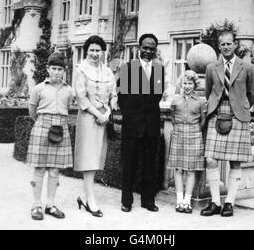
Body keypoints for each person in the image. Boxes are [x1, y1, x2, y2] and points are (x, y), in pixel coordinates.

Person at [200, 31, 254, 217]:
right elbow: (209, 92)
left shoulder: (247, 67)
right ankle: (215, 203)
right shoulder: (211, 68)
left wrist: (242, 107)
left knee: (235, 161)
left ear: (235, 45)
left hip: (238, 116)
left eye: (229, 43)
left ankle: (229, 203)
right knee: (210, 159)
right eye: (222, 44)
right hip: (217, 114)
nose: (226, 47)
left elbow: (253, 94)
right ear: (219, 46)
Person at [117, 33, 165, 212]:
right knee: (129, 164)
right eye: (145, 47)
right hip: (132, 125)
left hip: (151, 126)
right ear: (139, 47)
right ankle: (126, 201)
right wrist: (132, 117)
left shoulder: (159, 70)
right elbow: (122, 98)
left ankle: (148, 201)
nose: (148, 51)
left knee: (149, 165)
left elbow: (157, 96)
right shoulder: (128, 68)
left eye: (151, 49)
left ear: (155, 50)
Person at [74, 35, 118, 218]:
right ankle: (90, 199)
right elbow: (81, 96)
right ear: (87, 51)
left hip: (103, 119)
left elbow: (114, 94)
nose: (94, 54)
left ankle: (85, 197)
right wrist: (98, 114)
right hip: (88, 117)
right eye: (91, 50)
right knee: (88, 158)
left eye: (97, 50)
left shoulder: (107, 71)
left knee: (97, 157)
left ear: (102, 51)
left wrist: (107, 113)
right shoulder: (81, 70)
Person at [27, 52, 74, 220]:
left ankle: (51, 205)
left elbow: (68, 108)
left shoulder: (69, 90)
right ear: (48, 69)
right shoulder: (38, 89)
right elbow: (32, 111)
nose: (56, 72)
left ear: (64, 70)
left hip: (60, 128)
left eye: (60, 69)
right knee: (39, 169)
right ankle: (36, 205)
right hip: (42, 127)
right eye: (53, 68)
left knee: (55, 170)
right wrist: (43, 123)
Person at [168, 70, 206, 214]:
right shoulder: (175, 100)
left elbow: (203, 121)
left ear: (194, 84)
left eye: (190, 83)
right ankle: (179, 201)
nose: (187, 86)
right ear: (181, 84)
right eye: (185, 83)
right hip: (178, 134)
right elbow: (172, 117)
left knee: (190, 170)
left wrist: (194, 131)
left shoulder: (200, 101)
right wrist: (179, 128)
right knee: (178, 169)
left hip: (194, 135)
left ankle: (187, 201)